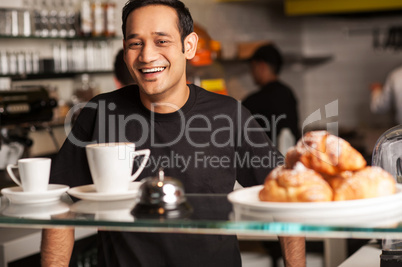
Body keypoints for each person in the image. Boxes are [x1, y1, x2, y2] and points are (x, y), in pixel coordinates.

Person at [41, 1, 305, 266]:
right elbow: (59, 204)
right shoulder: (100, 112)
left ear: (188, 46)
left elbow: (285, 197)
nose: (146, 55)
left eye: (161, 41)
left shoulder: (230, 115)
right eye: (135, 43)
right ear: (125, 51)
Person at [242, 43, 300, 155]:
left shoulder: (255, 101)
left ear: (262, 66)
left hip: (266, 162)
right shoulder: (288, 92)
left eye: (253, 67)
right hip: (292, 159)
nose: (251, 73)